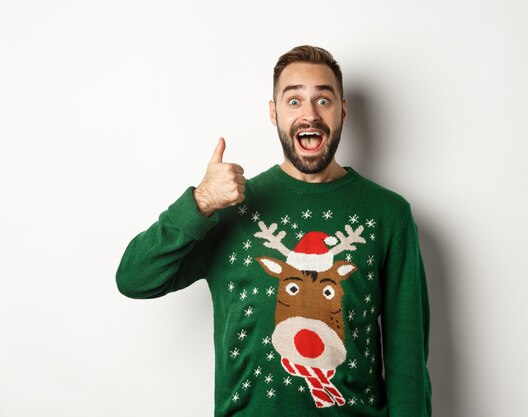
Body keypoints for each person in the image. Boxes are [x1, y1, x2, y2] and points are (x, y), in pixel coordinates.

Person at [116, 45, 431, 417]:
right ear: (273, 112)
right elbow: (134, 279)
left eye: (323, 100)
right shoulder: (228, 206)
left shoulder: (388, 214)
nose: (309, 114)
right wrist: (199, 202)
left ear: (343, 111)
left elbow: (406, 357)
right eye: (294, 100)